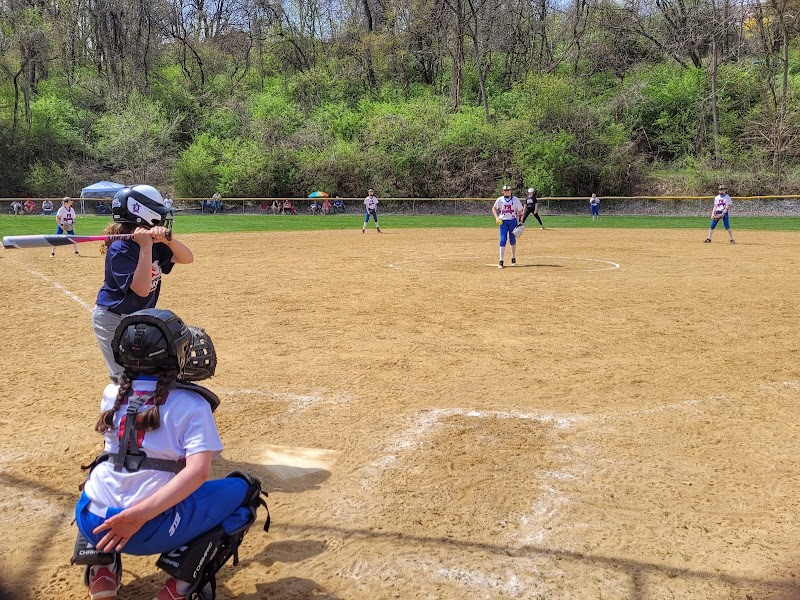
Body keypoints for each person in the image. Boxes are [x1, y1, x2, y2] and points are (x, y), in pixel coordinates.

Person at [73, 308, 269, 600]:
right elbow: (199, 472)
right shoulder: (191, 403)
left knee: (102, 471)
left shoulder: (111, 392)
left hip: (93, 522)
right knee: (244, 489)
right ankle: (179, 590)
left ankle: (102, 573)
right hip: (147, 530)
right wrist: (139, 515)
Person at [92, 185, 194, 382]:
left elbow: (187, 258)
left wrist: (168, 240)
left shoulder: (155, 243)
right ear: (142, 212)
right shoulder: (121, 248)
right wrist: (145, 249)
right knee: (125, 379)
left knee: (146, 373)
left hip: (138, 319)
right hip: (113, 319)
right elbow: (141, 289)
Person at [492, 184, 524, 268]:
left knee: (512, 239)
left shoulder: (515, 200)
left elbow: (521, 211)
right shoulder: (500, 199)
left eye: (508, 191)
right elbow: (494, 208)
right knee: (503, 239)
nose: (506, 192)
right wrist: (496, 217)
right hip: (503, 222)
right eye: (505, 191)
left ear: (510, 191)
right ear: (503, 192)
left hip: (512, 221)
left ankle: (513, 258)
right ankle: (501, 260)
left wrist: (521, 221)